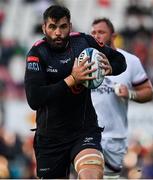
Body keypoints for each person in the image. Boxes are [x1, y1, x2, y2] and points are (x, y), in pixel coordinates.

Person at [24, 5, 127, 179]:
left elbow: (120, 60)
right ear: (44, 28)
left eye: (63, 27)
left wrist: (110, 68)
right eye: (52, 27)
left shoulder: (84, 42)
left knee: (92, 175)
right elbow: (34, 99)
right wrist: (72, 79)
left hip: (84, 131)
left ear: (70, 27)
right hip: (51, 139)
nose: (58, 32)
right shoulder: (37, 54)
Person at [90, 17, 153, 179]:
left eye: (101, 32)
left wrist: (130, 93)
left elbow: (148, 92)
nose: (96, 36)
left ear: (113, 36)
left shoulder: (130, 61)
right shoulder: (84, 61)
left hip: (115, 138)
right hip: (88, 134)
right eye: (93, 33)